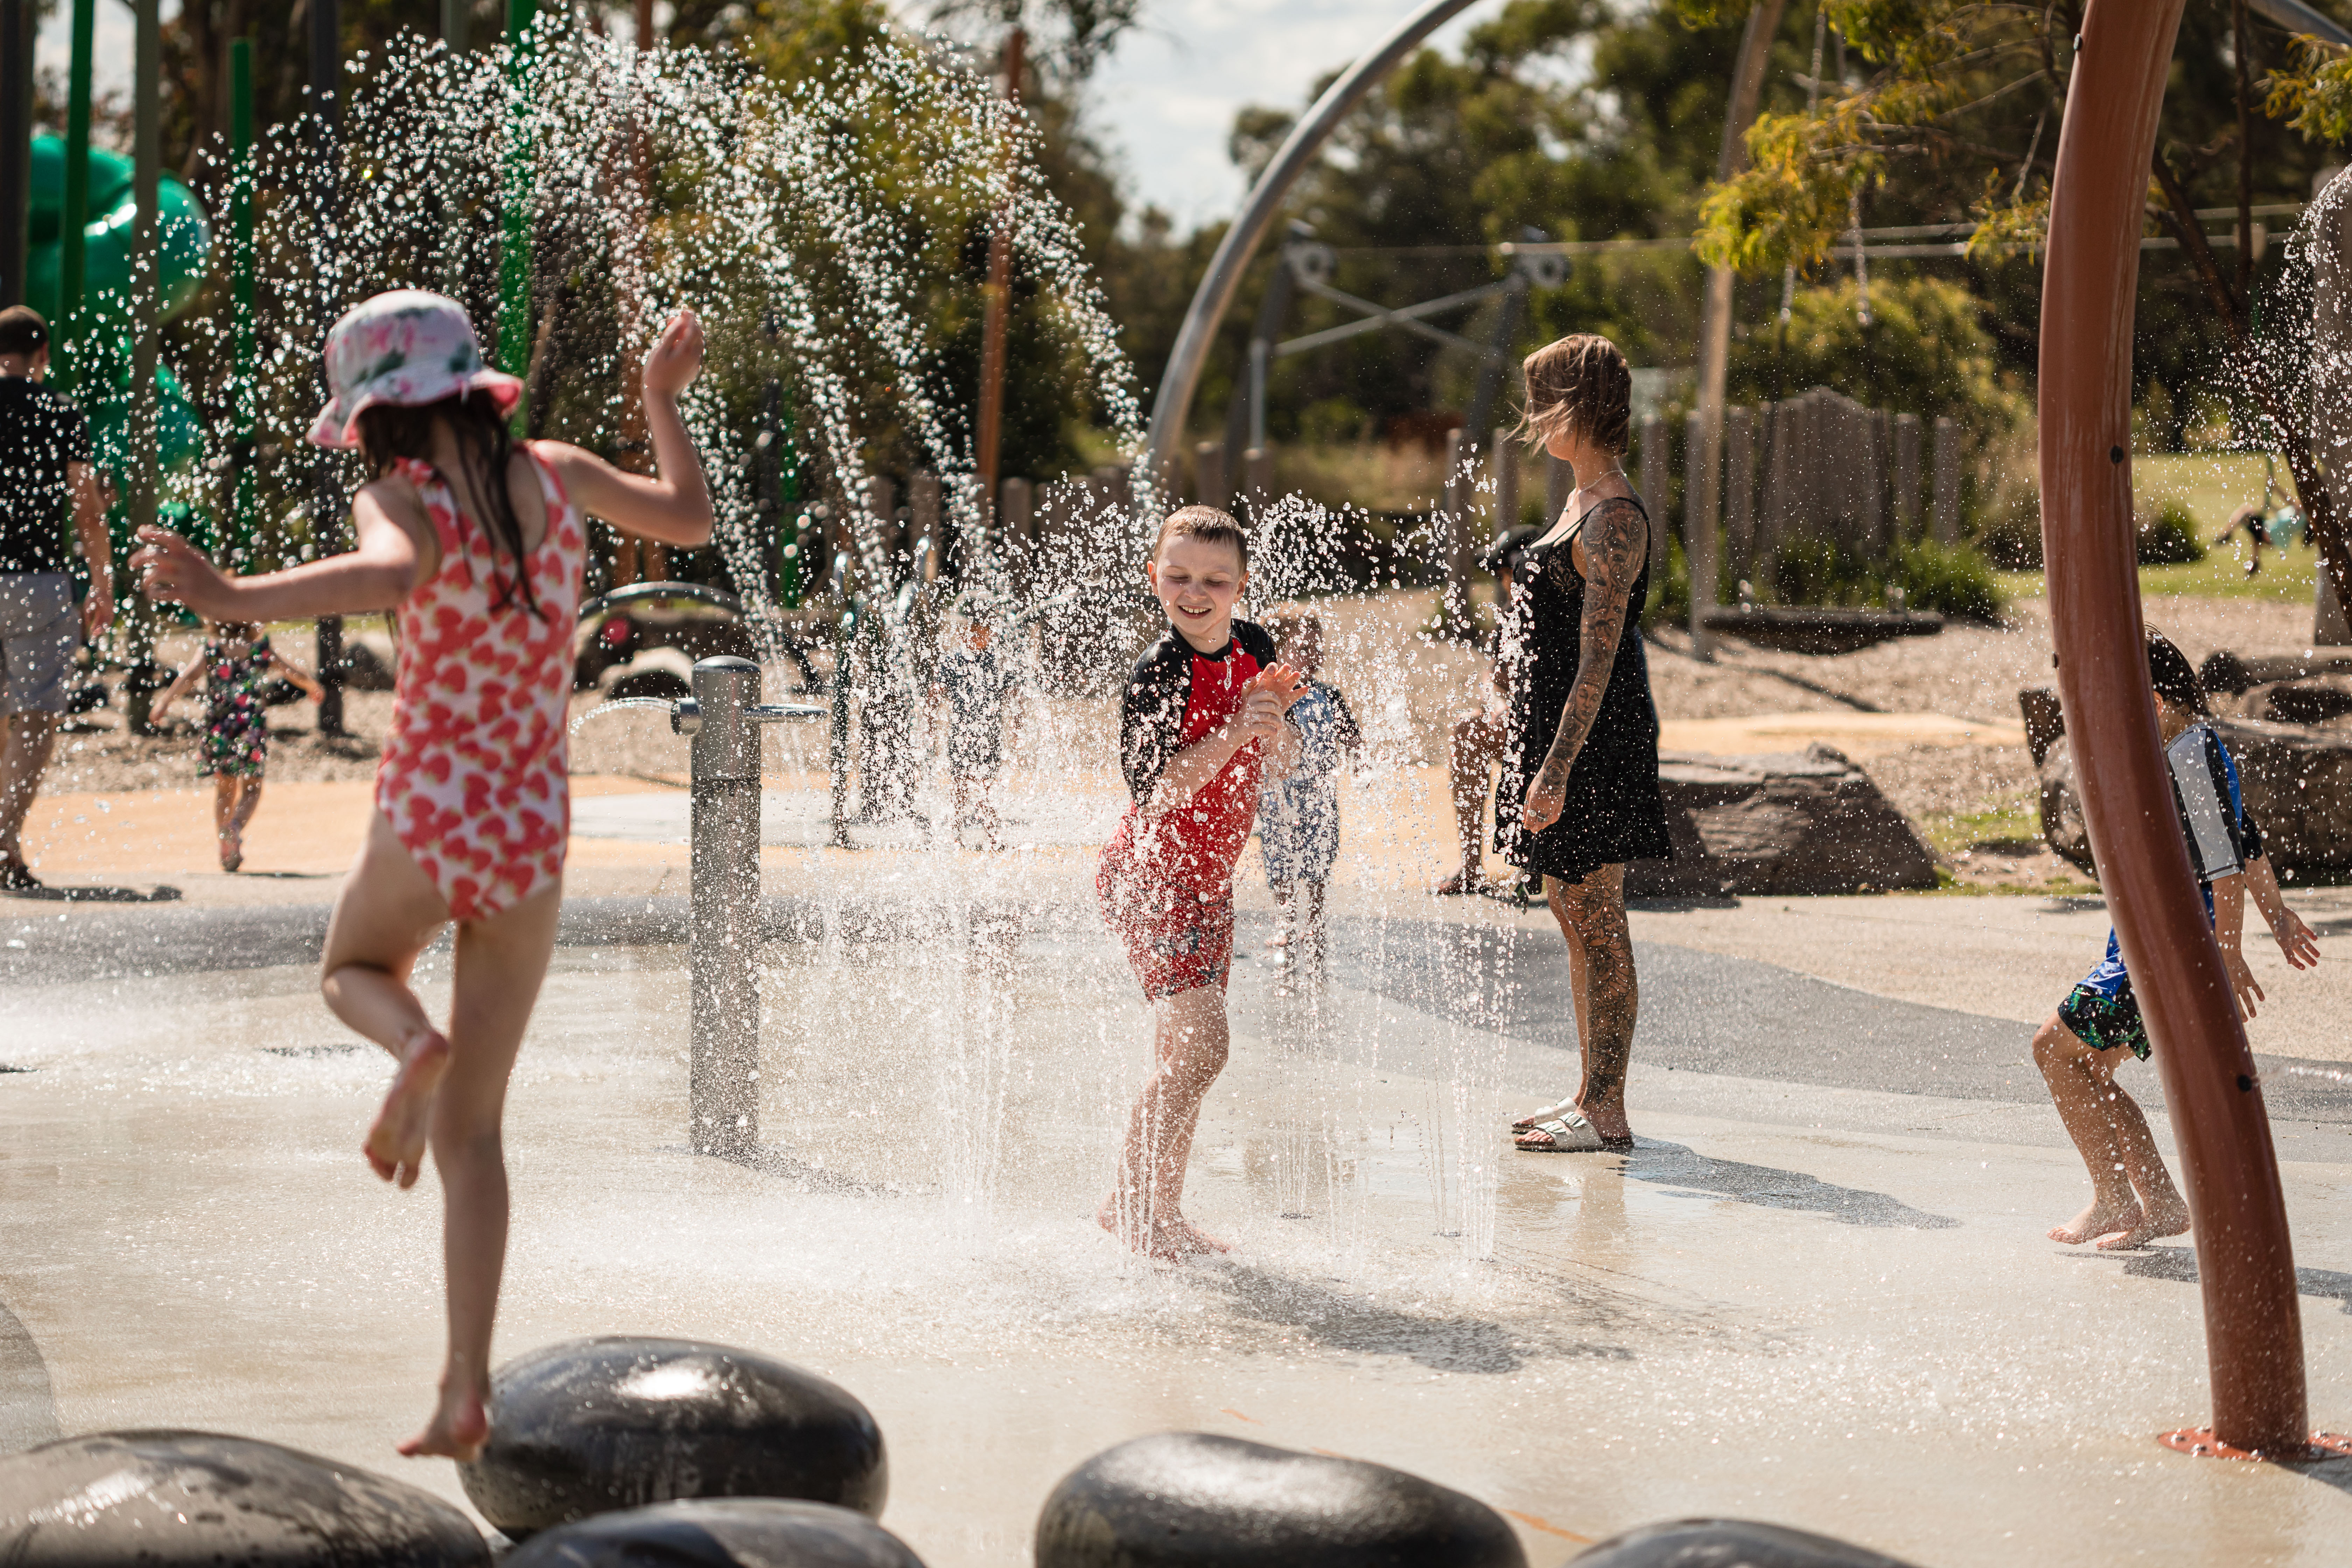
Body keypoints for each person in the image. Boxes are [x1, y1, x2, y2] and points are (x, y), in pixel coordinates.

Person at [133, 289, 713, 1459]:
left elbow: (394, 573)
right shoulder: (558, 472)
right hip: (533, 828)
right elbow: (691, 519)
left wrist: (233, 598)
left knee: (351, 965)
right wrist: (658, 398)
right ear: (469, 383)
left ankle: (407, 1043)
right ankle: (464, 1389)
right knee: (475, 1137)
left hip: (434, 805)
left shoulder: (402, 495)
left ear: (380, 417)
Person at [2034, 632, 2320, 1251]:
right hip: (2148, 942)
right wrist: (2279, 917)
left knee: (2054, 1052)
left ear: (2157, 704)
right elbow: (2249, 842)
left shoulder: (2188, 753)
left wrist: (2229, 948)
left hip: (2164, 945)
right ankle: (2159, 1203)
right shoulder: (2200, 746)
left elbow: (2222, 862)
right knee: (2088, 1066)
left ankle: (2115, 1199)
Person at [1096, 505, 1302, 1260]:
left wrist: (1275, 728)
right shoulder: (1157, 673)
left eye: (1214, 579)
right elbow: (1156, 792)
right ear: (1155, 577)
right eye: (1178, 575)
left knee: (1181, 1058)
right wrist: (1239, 730)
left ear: (1240, 585)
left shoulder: (1255, 647)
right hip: (1152, 877)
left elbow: (1279, 758)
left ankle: (1164, 1211)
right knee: (1205, 1050)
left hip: (1209, 884)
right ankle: (1127, 1201)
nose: (1194, 591)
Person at [1497, 334, 1673, 1156]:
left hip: (1595, 743)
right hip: (1555, 733)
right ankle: (1587, 1093)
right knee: (1574, 913)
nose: (1532, 419)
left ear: (1577, 407)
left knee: (1599, 916)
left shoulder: (1616, 518)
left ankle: (1607, 1109)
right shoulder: (1578, 503)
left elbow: (1599, 665)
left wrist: (1556, 769)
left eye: (1542, 401)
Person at [0, 306, 113, 894]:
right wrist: (102, 580)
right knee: (37, 709)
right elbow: (86, 506)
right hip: (36, 580)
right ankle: (5, 835)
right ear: (42, 353)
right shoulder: (62, 413)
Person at [149, 617, 324, 871]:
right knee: (252, 788)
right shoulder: (259, 648)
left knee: (225, 789)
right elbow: (290, 671)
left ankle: (225, 843)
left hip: (219, 728)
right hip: (249, 729)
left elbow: (188, 677)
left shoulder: (212, 648)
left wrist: (164, 703)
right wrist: (311, 685)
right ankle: (236, 826)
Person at [1433, 525, 1538, 898]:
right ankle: (1472, 867)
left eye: (1505, 574)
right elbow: (1495, 677)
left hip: (1560, 733)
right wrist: (1497, 703)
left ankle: (1534, 863)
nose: (1504, 583)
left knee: (1504, 736)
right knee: (1467, 731)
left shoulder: (1558, 614)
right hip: (1525, 727)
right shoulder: (1512, 616)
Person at [1256, 611, 1359, 984]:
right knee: (1280, 863)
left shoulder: (1330, 695)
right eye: (1304, 646)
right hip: (1279, 797)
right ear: (1281, 651)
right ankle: (1285, 921)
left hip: (1320, 797)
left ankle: (1314, 924)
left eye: (1318, 646)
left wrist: (1360, 761)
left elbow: (1350, 737)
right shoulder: (1272, 695)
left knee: (1318, 865)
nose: (1314, 653)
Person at [931, 592, 1019, 848]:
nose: (976, 637)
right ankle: (955, 835)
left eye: (981, 632)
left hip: (989, 735)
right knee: (959, 787)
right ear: (961, 633)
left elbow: (1014, 694)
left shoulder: (997, 660)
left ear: (990, 633)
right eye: (970, 632)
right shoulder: (953, 659)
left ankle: (992, 837)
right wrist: (931, 720)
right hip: (961, 733)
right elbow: (936, 690)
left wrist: (1017, 723)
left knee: (983, 788)